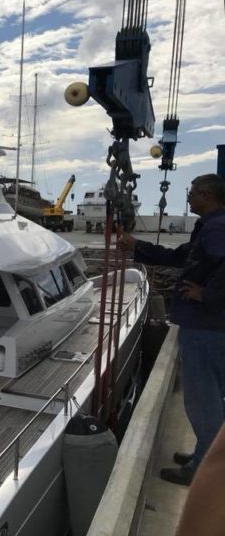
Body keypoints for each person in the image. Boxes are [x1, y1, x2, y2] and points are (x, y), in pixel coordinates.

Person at [119, 174, 225, 486]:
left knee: (202, 398)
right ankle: (203, 453)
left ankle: (204, 471)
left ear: (207, 195)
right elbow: (181, 257)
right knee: (211, 396)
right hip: (207, 326)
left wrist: (207, 295)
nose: (188, 197)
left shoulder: (217, 227)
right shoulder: (210, 226)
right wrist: (137, 246)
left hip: (206, 327)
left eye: (192, 192)